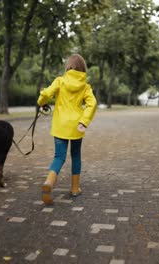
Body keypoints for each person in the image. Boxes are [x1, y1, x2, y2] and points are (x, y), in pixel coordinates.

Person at [37, 54, 97, 205]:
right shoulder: (85, 86)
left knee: (59, 156)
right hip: (77, 126)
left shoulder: (60, 81)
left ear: (68, 67)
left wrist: (41, 102)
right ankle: (75, 188)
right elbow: (92, 103)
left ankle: (49, 182)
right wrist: (84, 121)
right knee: (75, 155)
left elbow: (46, 94)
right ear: (83, 69)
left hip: (60, 126)